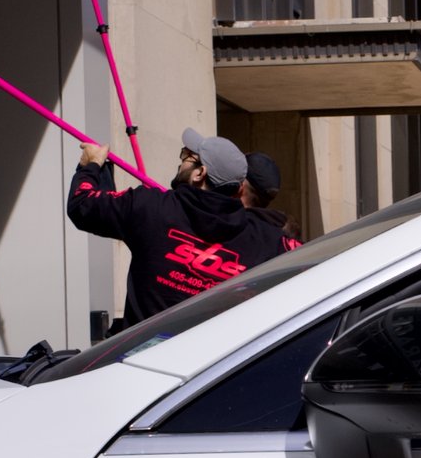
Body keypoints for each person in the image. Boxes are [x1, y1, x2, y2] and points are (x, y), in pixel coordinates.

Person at [67, 127, 294, 322]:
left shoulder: (150, 206)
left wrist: (91, 165)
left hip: (144, 362)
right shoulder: (267, 239)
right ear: (239, 188)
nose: (181, 160)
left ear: (199, 174)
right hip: (214, 368)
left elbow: (83, 204)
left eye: (187, 156)